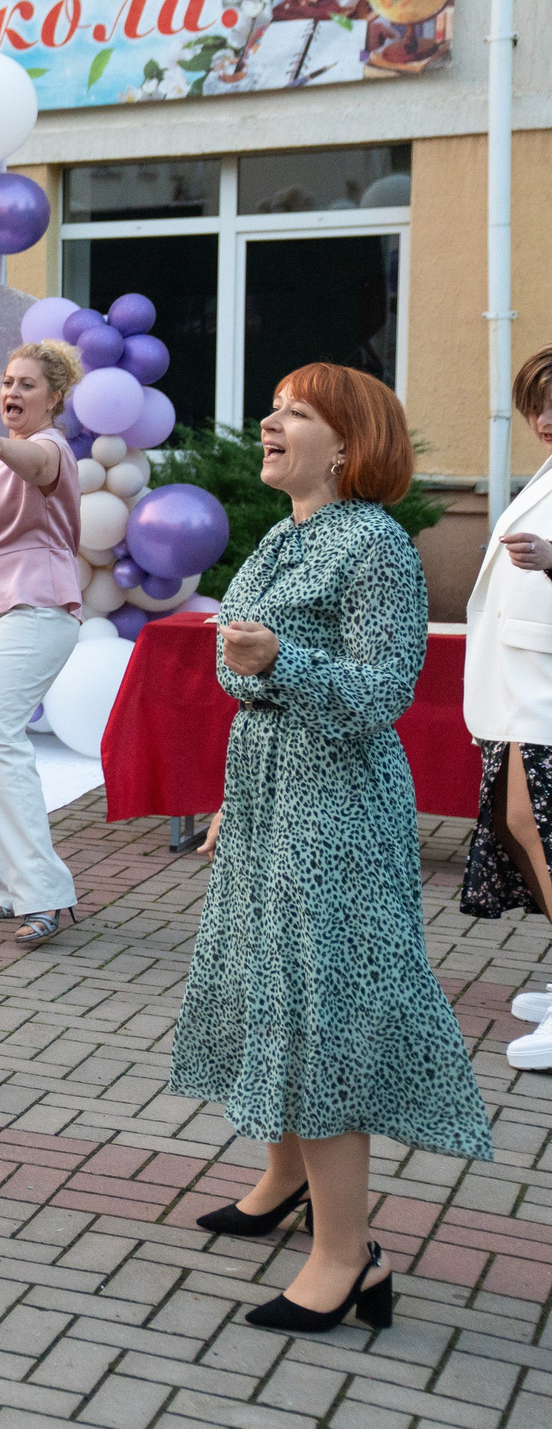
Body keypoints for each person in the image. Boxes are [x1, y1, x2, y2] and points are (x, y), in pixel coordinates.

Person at [171, 363, 492, 1335]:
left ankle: (349, 1257)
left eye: (296, 413)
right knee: (268, 985)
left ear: (348, 445)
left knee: (322, 1014)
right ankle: (284, 1181)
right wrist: (255, 698)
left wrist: (282, 661)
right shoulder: (285, 534)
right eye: (273, 409)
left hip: (336, 810)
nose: (270, 424)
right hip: (271, 797)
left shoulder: (375, 545)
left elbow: (385, 690)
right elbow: (236, 665)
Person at [0, 341, 86, 947]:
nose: (12, 391)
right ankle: (7, 884)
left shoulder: (50, 447)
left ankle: (44, 892)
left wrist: (2, 447)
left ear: (55, 398)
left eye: (27, 385)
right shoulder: (3, 459)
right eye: (8, 381)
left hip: (36, 605)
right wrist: (1, 452)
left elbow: (37, 463)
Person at [462, 344, 552, 1065]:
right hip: (523, 683)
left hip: (543, 688)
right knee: (518, 824)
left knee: (533, 827)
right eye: (536, 404)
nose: (544, 418)